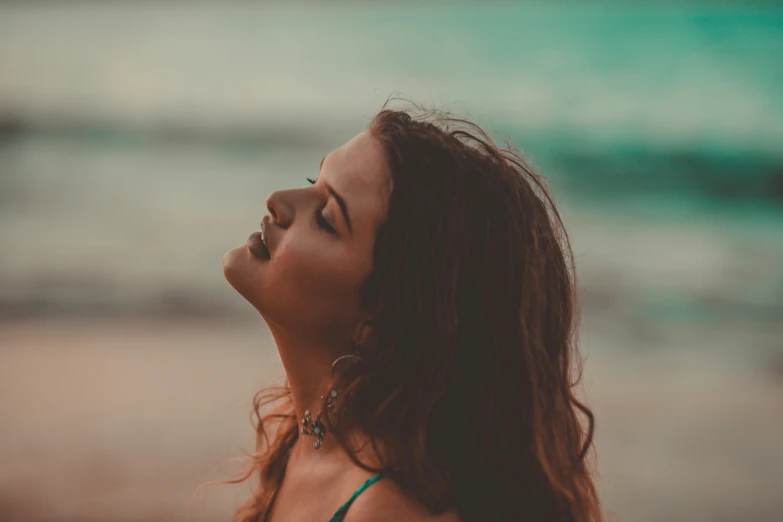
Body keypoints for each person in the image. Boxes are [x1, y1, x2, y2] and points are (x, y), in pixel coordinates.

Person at [213, 103, 602, 522]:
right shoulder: (304, 436)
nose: (279, 201)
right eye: (314, 180)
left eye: (325, 218)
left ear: (380, 322)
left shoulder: (390, 510)